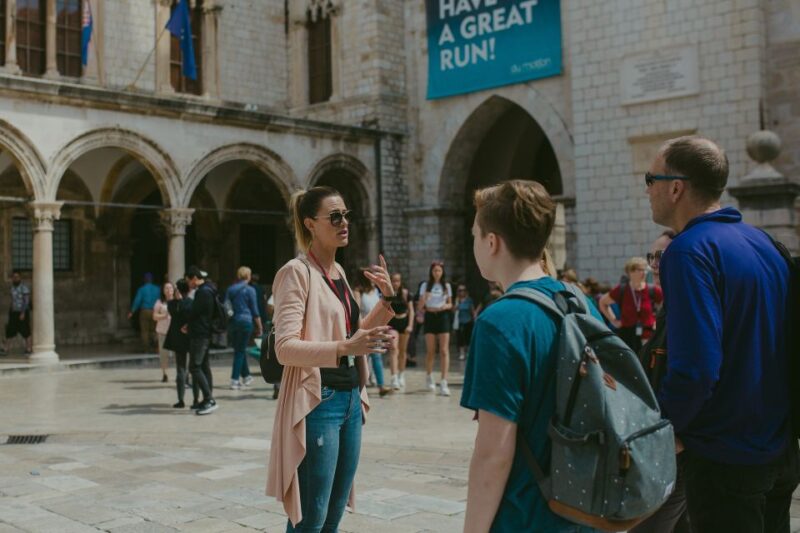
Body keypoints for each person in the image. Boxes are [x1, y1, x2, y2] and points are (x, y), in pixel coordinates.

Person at [646, 135, 798, 533]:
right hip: (779, 450)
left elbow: (696, 366)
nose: (647, 189)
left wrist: (666, 429)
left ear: (675, 187)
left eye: (650, 178)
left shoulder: (689, 250)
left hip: (726, 455)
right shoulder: (764, 243)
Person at [461, 180, 603, 532]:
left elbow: (494, 451)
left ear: (492, 242)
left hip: (526, 515)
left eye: (475, 234)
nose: (475, 243)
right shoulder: (580, 301)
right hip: (587, 509)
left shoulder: (499, 321)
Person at [265, 186, 396, 532]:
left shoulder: (337, 272)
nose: (344, 223)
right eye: (334, 216)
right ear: (310, 223)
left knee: (336, 508)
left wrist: (386, 303)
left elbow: (353, 333)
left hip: (351, 397)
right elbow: (285, 347)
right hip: (318, 401)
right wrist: (343, 348)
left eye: (346, 215)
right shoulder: (296, 272)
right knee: (313, 513)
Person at [629, 229, 691, 533]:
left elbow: (697, 375)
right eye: (652, 256)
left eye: (662, 256)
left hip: (677, 449)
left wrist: (677, 437)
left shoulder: (685, 310)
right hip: (664, 444)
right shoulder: (668, 308)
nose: (655, 263)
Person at [597, 257, 662, 352]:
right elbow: (603, 302)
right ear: (630, 272)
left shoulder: (652, 290)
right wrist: (614, 321)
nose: (644, 273)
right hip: (627, 336)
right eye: (640, 270)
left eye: (645, 270)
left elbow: (668, 304)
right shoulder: (622, 290)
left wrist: (658, 321)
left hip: (648, 335)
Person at [185, 266, 218, 415]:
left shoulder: (202, 292)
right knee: (204, 366)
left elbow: (194, 312)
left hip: (199, 334)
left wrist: (187, 323)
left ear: (194, 278)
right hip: (205, 333)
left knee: (195, 367)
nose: (188, 284)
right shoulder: (209, 290)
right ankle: (207, 398)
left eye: (188, 281)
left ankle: (209, 399)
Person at [353, 273, 392, 397]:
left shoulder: (376, 291)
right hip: (364, 327)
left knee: (376, 356)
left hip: (377, 328)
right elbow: (356, 309)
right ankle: (359, 386)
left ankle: (381, 385)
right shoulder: (358, 292)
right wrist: (359, 329)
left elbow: (381, 307)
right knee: (361, 358)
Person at [225, 266, 263, 390]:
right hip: (246, 322)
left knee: (239, 349)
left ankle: (246, 376)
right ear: (248, 276)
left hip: (233, 322)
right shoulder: (250, 290)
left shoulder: (231, 289)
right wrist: (260, 326)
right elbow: (255, 310)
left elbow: (226, 304)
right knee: (240, 351)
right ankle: (234, 380)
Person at [418, 260, 453, 396]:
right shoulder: (425, 286)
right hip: (430, 316)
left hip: (443, 316)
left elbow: (450, 304)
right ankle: (429, 375)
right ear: (431, 272)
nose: (437, 273)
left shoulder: (447, 286)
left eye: (439, 270)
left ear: (442, 272)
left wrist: (446, 306)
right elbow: (420, 307)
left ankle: (444, 381)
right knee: (431, 350)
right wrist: (425, 298)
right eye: (434, 271)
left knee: (444, 350)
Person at [164, 279, 197, 409]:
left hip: (177, 338)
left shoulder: (172, 304)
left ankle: (180, 400)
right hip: (190, 337)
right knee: (194, 369)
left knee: (180, 369)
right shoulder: (192, 303)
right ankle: (195, 399)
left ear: (178, 290)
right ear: (188, 290)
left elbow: (174, 306)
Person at [386, 272, 414, 390]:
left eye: (397, 280)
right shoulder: (387, 294)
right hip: (392, 324)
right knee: (393, 348)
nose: (395, 283)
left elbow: (411, 310)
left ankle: (401, 374)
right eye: (393, 280)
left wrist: (410, 325)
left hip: (404, 323)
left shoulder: (406, 293)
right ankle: (393, 377)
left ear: (400, 281)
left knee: (403, 351)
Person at [1, 271, 32, 355]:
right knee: (10, 330)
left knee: (25, 330)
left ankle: (28, 348)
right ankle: (6, 348)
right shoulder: (12, 288)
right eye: (14, 277)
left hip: (22, 312)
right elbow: (13, 300)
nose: (15, 278)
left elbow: (26, 301)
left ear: (20, 278)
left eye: (17, 277)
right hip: (14, 312)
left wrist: (23, 313)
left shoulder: (24, 288)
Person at [128, 273, 160, 353]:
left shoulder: (142, 289)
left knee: (145, 331)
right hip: (155, 311)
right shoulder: (157, 289)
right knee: (155, 330)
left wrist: (132, 311)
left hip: (145, 311)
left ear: (145, 280)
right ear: (152, 280)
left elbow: (137, 301)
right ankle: (156, 347)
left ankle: (146, 349)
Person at [152, 282, 175, 383]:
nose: (169, 290)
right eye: (166, 288)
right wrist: (165, 316)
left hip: (175, 331)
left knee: (177, 354)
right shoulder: (159, 302)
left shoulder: (177, 301)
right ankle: (165, 374)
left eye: (170, 287)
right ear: (163, 290)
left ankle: (180, 373)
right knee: (163, 354)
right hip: (163, 331)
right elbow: (154, 316)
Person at [453, 284, 476, 361]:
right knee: (460, 338)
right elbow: (453, 310)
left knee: (468, 337)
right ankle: (462, 353)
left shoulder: (469, 300)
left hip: (468, 321)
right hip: (459, 322)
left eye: (463, 290)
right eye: (460, 290)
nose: (461, 292)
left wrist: (474, 318)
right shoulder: (456, 300)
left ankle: (468, 353)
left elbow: (472, 310)